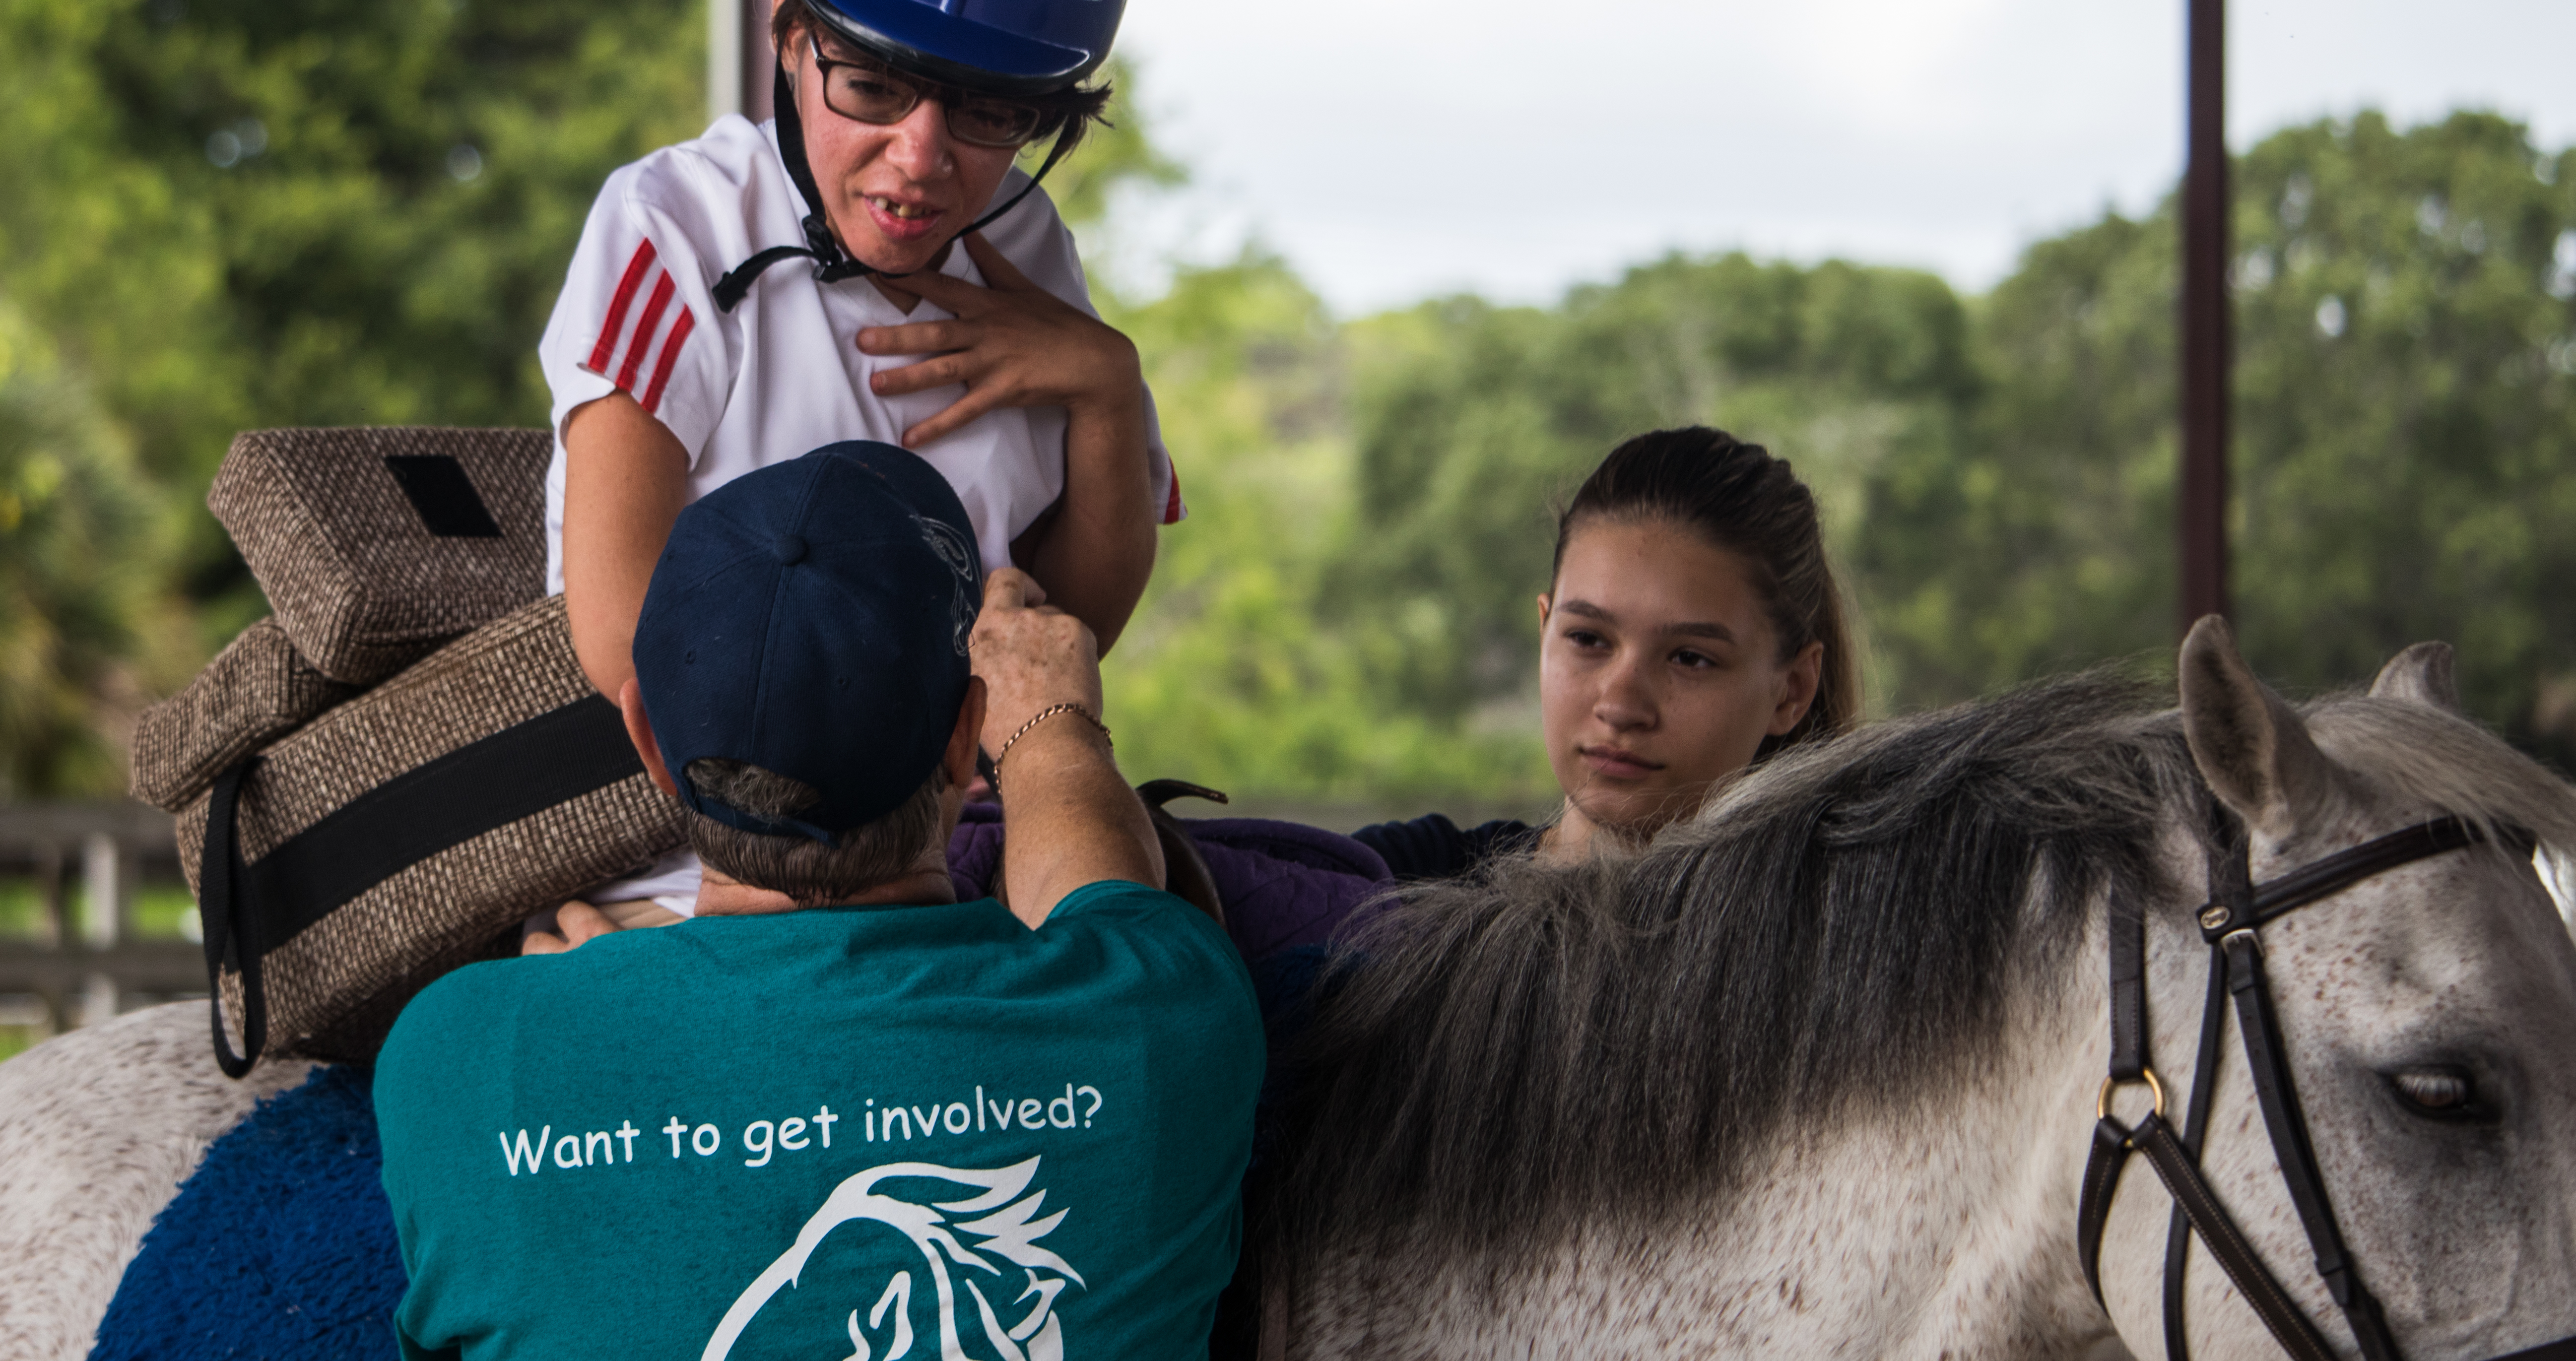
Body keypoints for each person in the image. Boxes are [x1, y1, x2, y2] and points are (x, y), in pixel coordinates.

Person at [375, 440, 1262, 1360]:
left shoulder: (457, 1054)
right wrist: (1049, 721)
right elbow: (1104, 899)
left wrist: (570, 1026)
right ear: (964, 740)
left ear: (649, 741)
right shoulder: (1173, 1009)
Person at [540, 0, 1181, 924]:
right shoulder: (675, 228)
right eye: (875, 86)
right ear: (786, 20)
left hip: (947, 865)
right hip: (707, 874)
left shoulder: (1025, 246)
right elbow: (619, 636)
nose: (924, 158)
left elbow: (1057, 635)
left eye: (990, 110)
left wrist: (1105, 387)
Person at [1355, 426, 1857, 879]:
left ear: (1792, 691)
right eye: (1587, 639)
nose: (1619, 707)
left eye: (1689, 658)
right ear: (1544, 629)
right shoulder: (1381, 889)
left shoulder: (1848, 954)